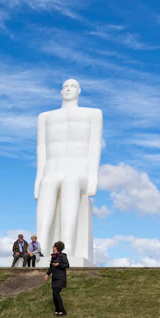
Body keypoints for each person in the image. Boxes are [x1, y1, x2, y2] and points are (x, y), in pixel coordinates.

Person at [35, 79, 103, 257]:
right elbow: (41, 149)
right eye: (65, 87)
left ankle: (66, 246)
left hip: (78, 171)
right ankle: (38, 246)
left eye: (72, 86)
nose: (68, 89)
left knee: (71, 182)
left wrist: (93, 177)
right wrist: (38, 179)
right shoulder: (45, 117)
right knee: (48, 183)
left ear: (79, 90)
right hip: (53, 170)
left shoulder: (93, 114)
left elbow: (94, 146)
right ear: (60, 91)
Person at [45, 241, 69, 316]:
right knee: (54, 294)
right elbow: (51, 266)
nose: (52, 248)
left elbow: (67, 265)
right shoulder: (53, 256)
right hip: (54, 278)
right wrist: (47, 274)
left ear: (56, 248)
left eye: (53, 246)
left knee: (56, 293)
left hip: (61, 278)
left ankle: (63, 311)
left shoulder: (62, 256)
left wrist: (59, 264)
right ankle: (57, 310)